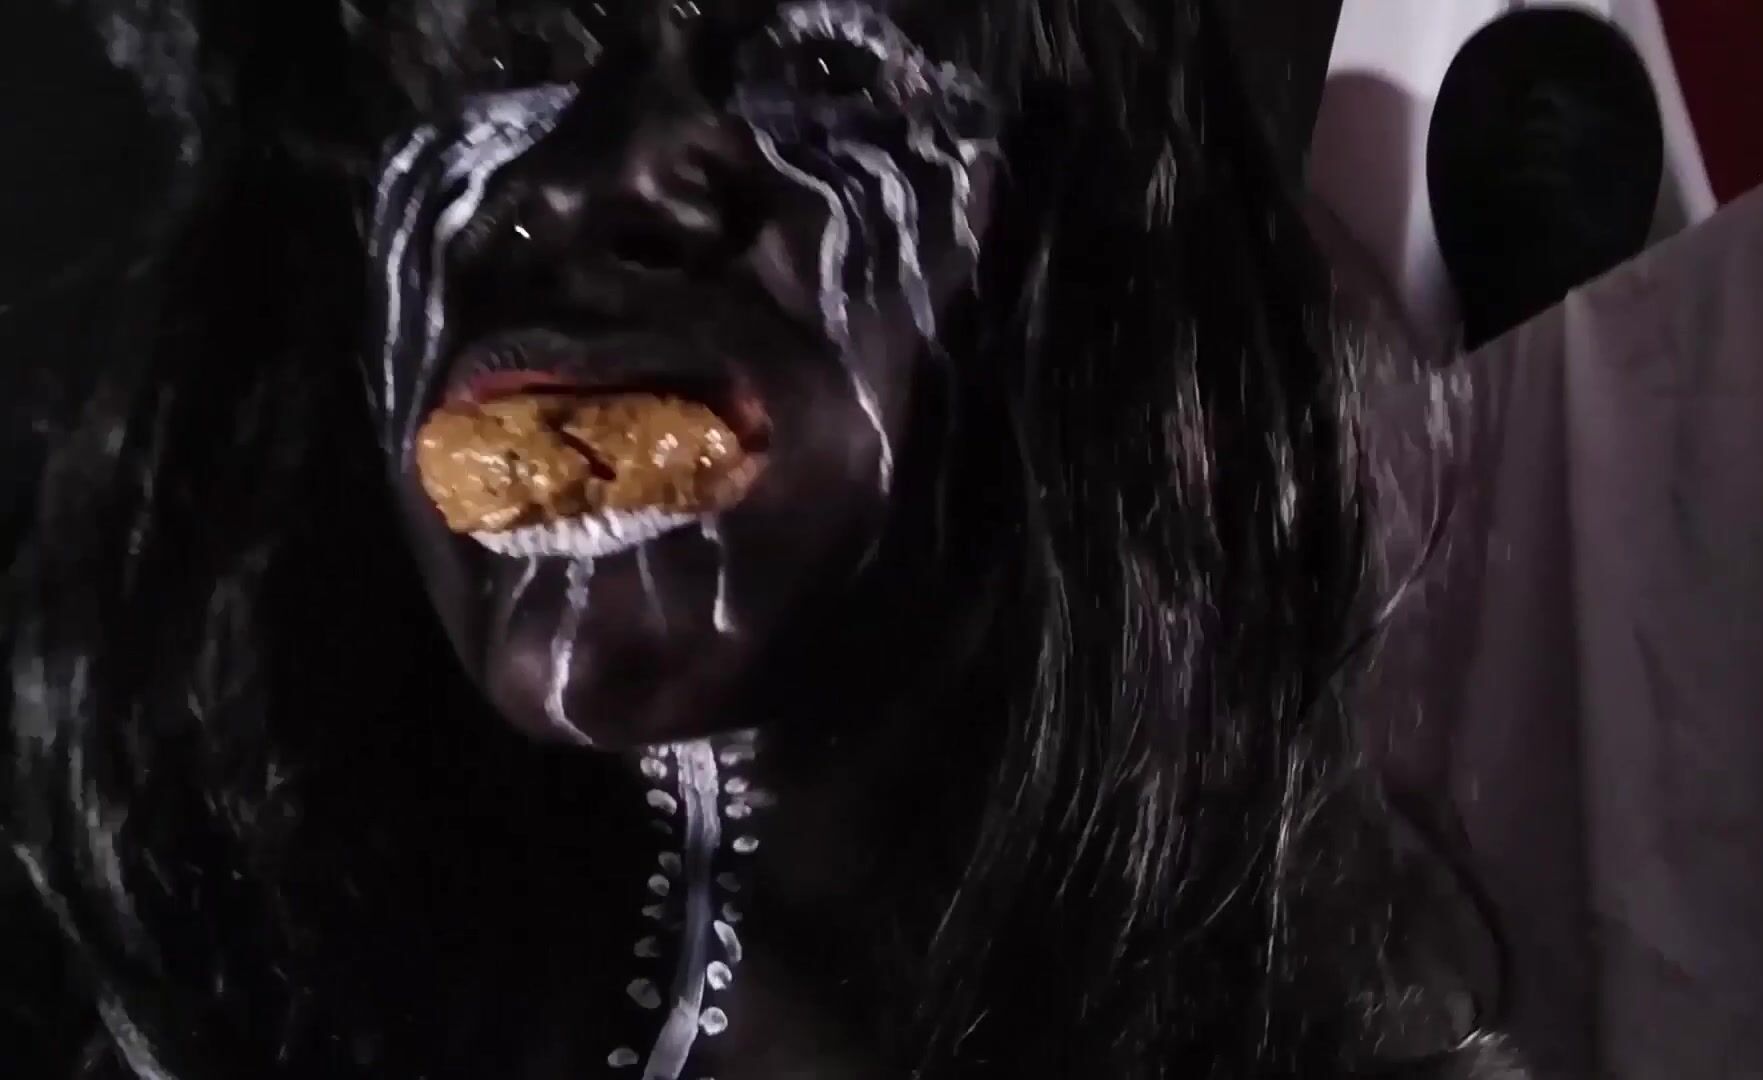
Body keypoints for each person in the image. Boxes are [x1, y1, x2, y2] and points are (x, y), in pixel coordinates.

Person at [5, 1, 1524, 1076]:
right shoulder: (178, 993)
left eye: (827, 61)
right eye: (503, 57)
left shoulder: (1311, 1021)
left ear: (1066, 266)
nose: (587, 174)